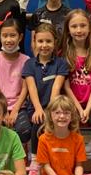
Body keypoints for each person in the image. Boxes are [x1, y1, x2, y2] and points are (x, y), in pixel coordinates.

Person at [20, 23, 69, 162]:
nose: (44, 45)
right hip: (35, 108)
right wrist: (38, 109)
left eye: (48, 41)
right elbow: (31, 88)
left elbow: (56, 88)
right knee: (38, 121)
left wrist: (50, 110)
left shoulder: (61, 63)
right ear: (34, 42)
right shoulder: (29, 64)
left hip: (54, 107)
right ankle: (35, 159)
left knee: (54, 122)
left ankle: (56, 158)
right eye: (40, 41)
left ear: (55, 42)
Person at [36, 96, 91, 175]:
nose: (62, 116)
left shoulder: (78, 139)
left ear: (72, 116)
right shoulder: (43, 139)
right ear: (50, 115)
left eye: (66, 113)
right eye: (57, 113)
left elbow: (79, 165)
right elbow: (46, 166)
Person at [0, 18, 31, 144]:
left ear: (20, 37)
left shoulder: (26, 60)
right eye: (5, 36)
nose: (9, 40)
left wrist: (15, 110)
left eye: (12, 35)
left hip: (19, 106)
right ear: (0, 37)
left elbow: (25, 89)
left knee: (24, 130)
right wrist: (4, 110)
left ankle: (20, 153)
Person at [60, 9, 91, 128]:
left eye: (83, 26)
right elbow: (66, 87)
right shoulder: (63, 55)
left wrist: (87, 109)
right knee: (68, 121)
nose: (79, 30)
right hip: (70, 102)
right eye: (74, 26)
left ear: (89, 28)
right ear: (68, 30)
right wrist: (79, 109)